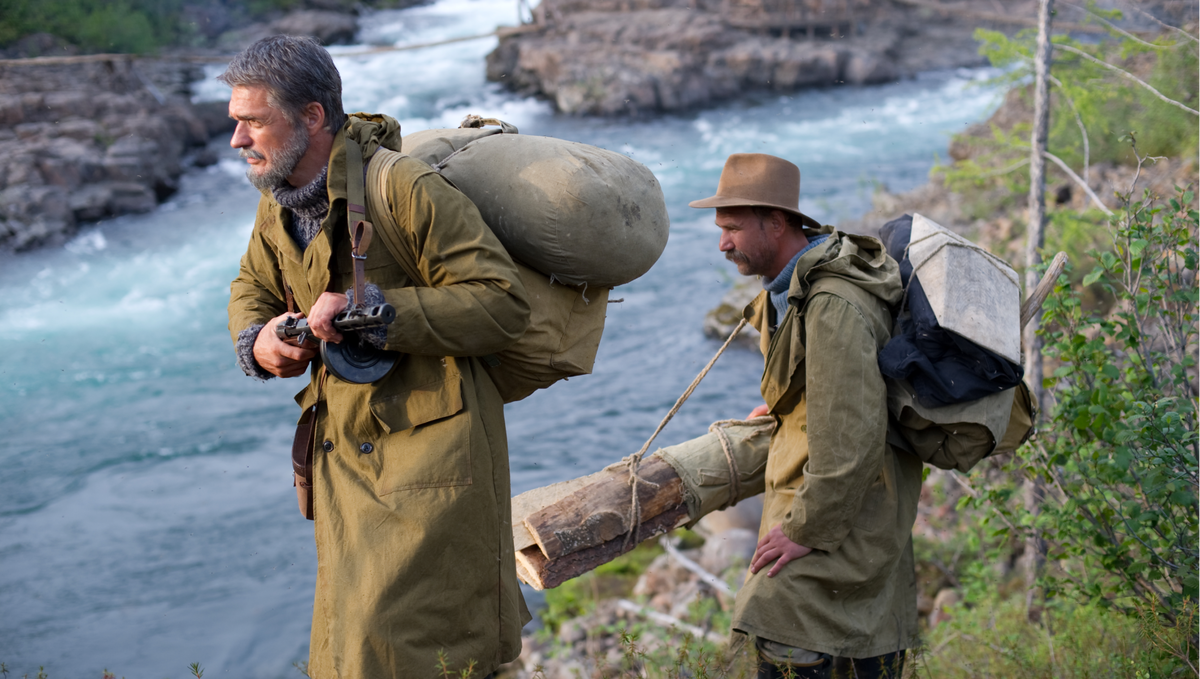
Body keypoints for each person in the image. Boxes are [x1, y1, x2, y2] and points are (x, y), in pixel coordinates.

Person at [223, 36, 531, 678]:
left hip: (432, 464)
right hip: (343, 462)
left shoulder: (402, 187)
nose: (237, 140)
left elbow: (504, 304)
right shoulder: (277, 198)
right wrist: (258, 340)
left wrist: (379, 312)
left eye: (253, 121)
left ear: (311, 116)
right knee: (349, 655)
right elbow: (251, 285)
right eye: (236, 123)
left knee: (421, 652)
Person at [689, 154, 920, 679]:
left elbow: (855, 434)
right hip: (843, 505)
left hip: (846, 515)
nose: (722, 244)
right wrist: (784, 405)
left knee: (782, 622)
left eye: (732, 229)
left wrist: (806, 529)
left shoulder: (831, 302)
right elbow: (840, 385)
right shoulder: (800, 288)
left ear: (776, 221)